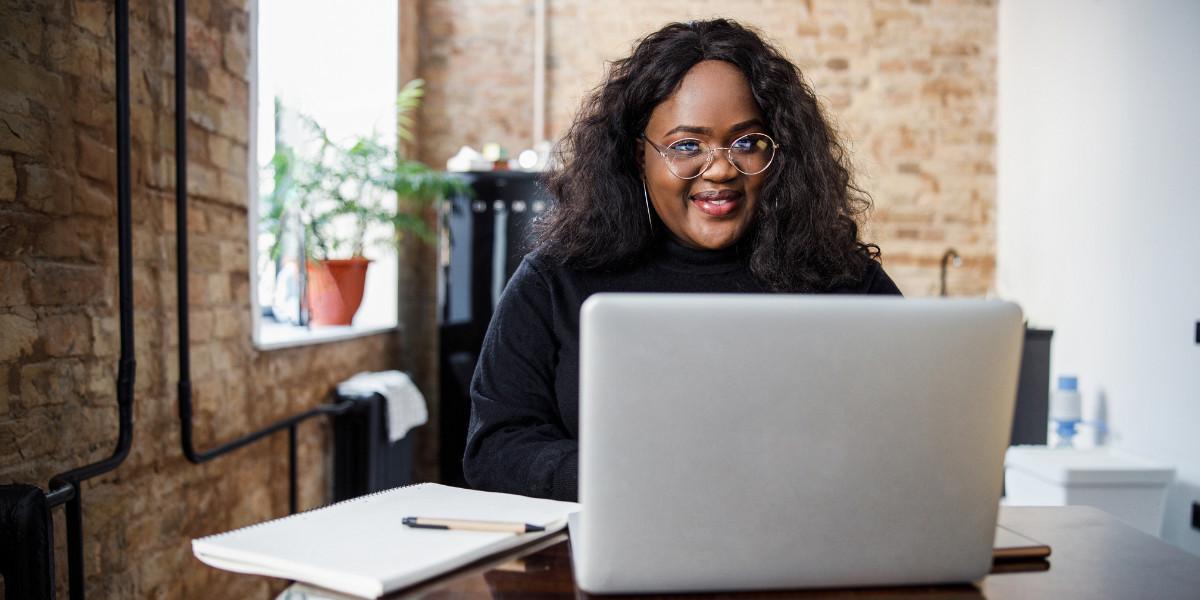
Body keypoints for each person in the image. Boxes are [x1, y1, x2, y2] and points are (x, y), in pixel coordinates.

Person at [463, 19, 901, 502]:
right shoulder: (556, 280)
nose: (719, 169)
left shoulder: (844, 280)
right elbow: (495, 448)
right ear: (638, 157)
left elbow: (915, 430)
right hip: (610, 549)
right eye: (686, 145)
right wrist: (634, 480)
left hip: (808, 547)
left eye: (747, 142)